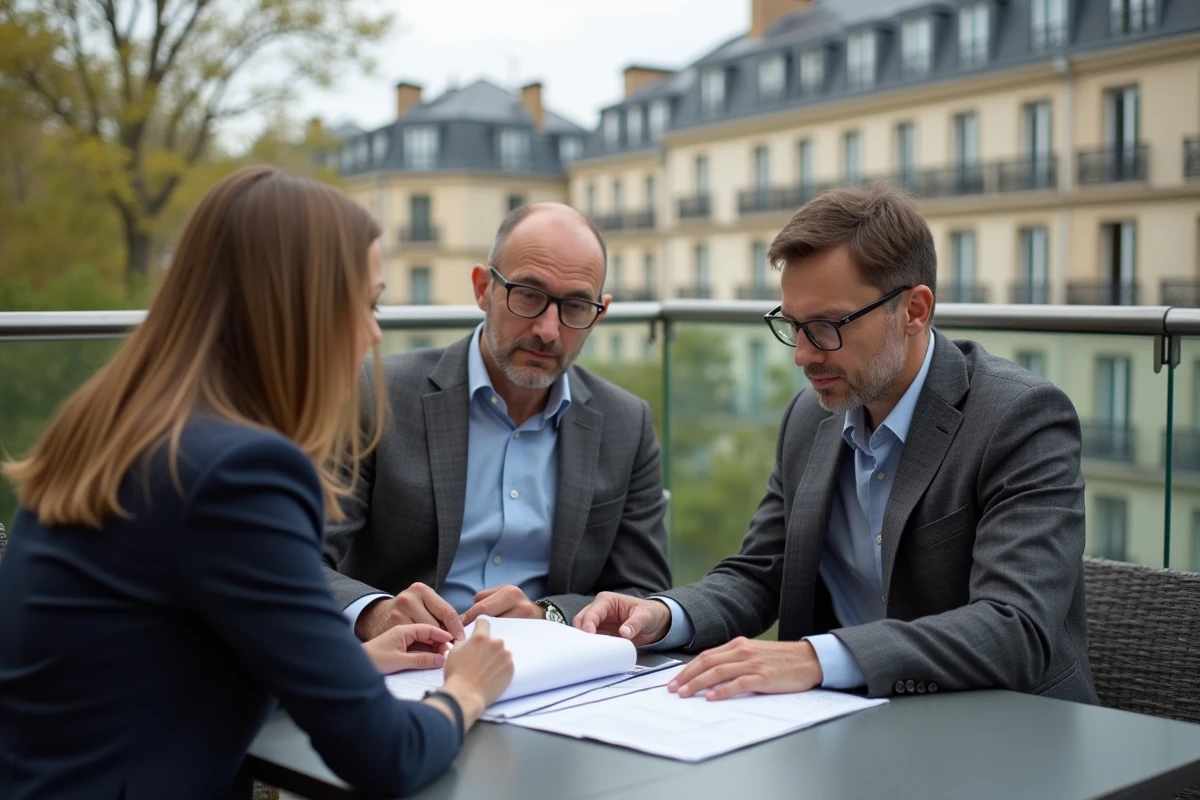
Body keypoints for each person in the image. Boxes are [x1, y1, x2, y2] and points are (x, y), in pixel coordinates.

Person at [0, 166, 514, 800]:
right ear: (303, 309)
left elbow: (154, 656)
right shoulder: (240, 470)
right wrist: (466, 689)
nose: (374, 332)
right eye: (369, 303)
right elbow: (387, 754)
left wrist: (347, 664)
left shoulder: (113, 422)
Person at [576, 183, 1098, 705]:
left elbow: (1015, 628)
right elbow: (761, 572)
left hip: (1002, 731)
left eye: (827, 326)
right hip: (842, 722)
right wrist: (663, 615)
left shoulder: (1020, 419)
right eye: (793, 325)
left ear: (914, 310)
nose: (802, 355)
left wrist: (815, 658)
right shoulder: (810, 416)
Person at [324, 202, 671, 642]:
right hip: (409, 667)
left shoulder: (627, 423)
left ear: (599, 313)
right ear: (483, 288)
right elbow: (299, 558)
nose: (548, 329)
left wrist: (550, 617)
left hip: (549, 678)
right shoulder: (376, 394)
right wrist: (374, 612)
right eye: (528, 294)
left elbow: (643, 594)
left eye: (576, 306)